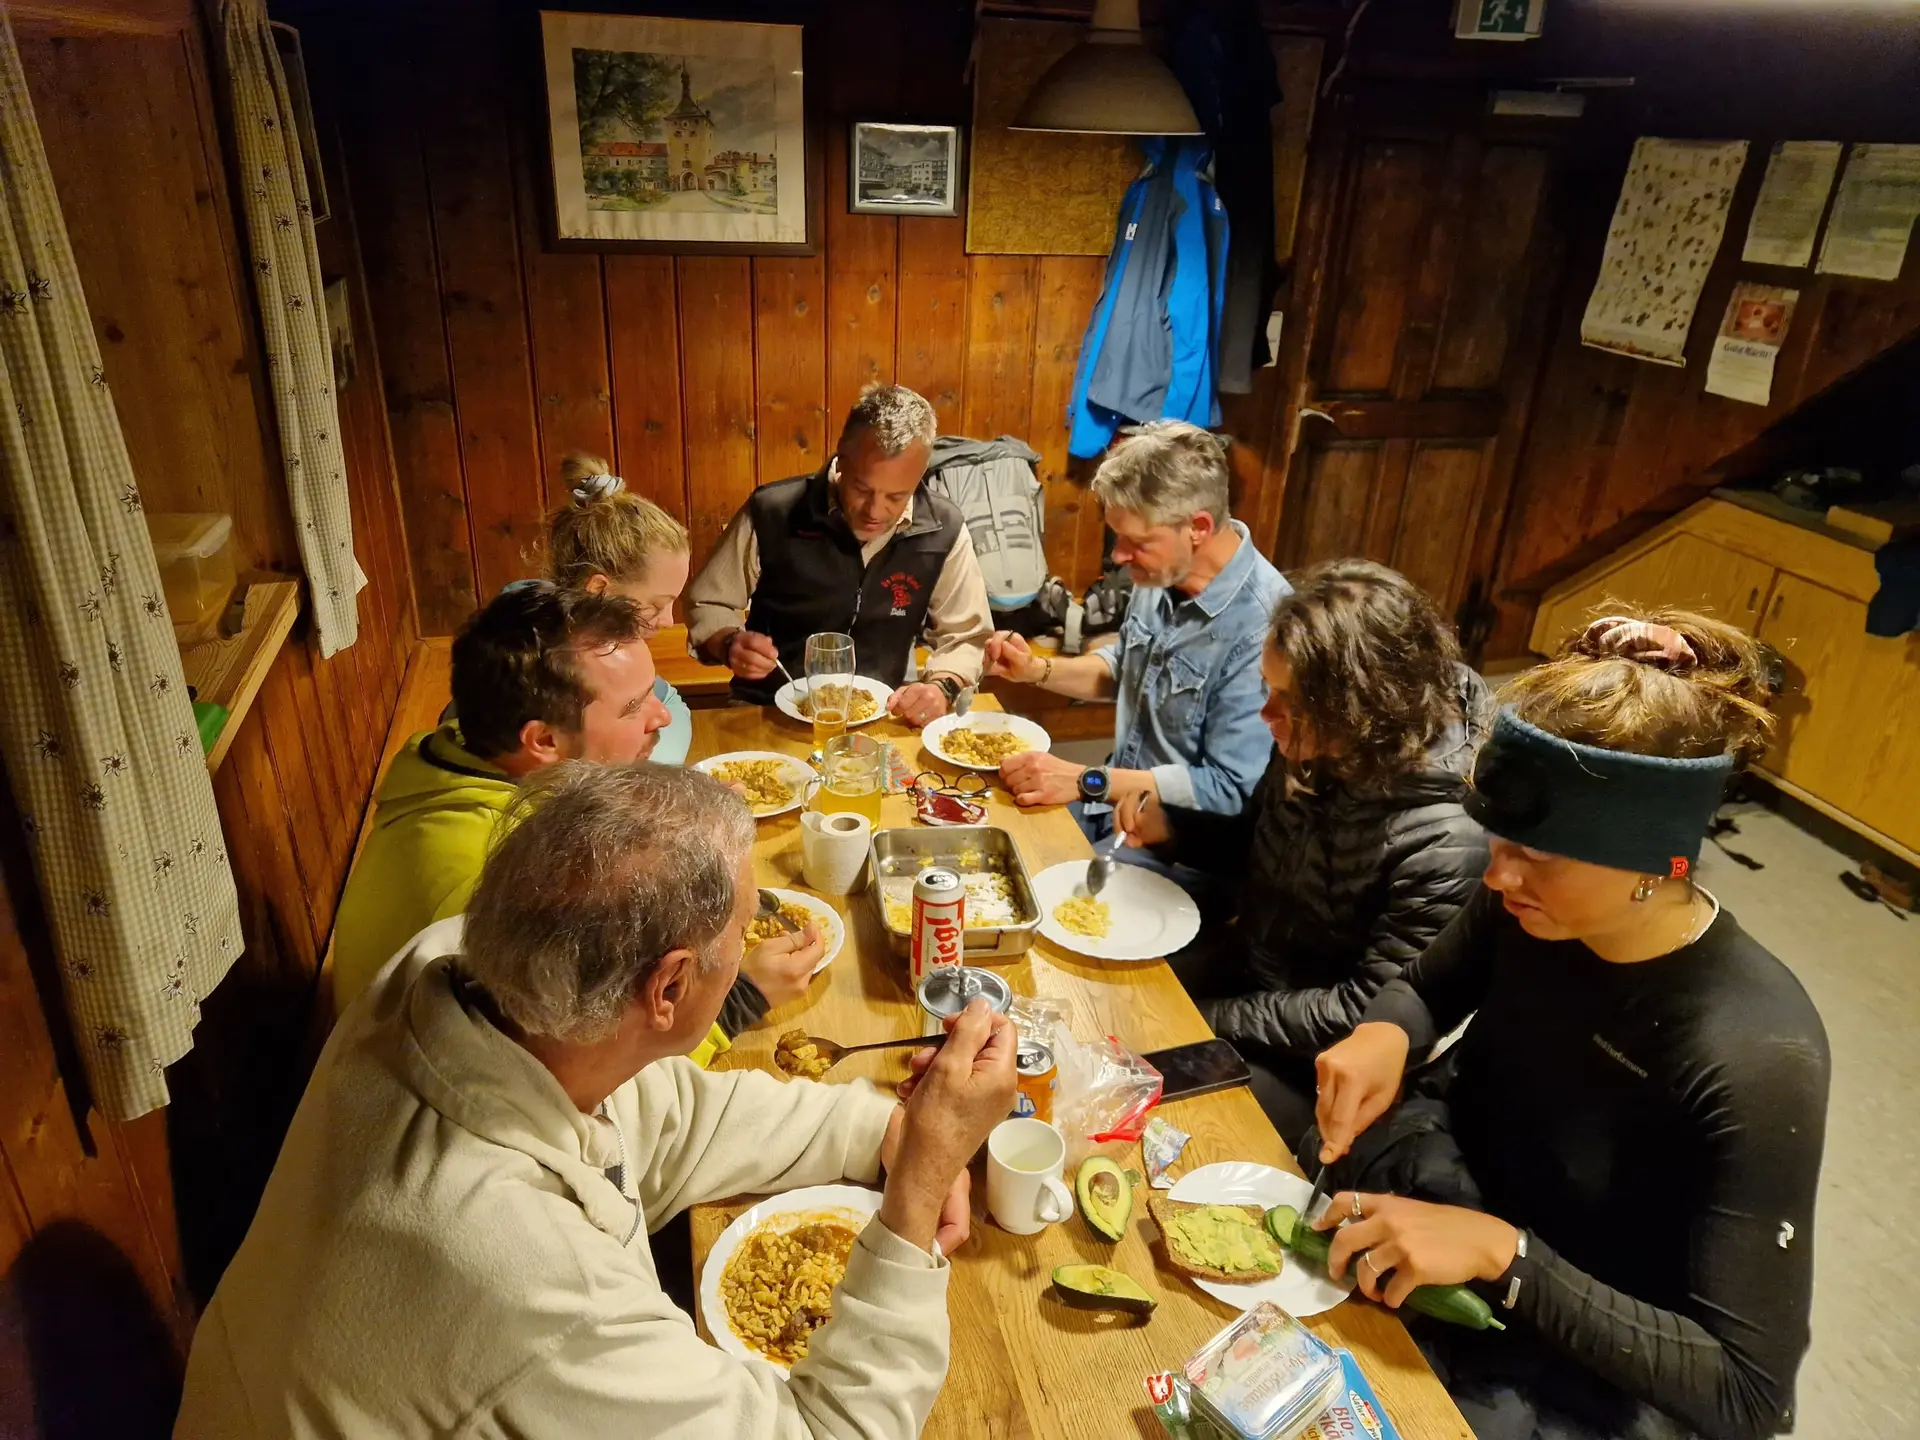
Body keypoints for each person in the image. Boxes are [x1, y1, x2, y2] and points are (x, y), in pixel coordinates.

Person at [176, 763, 1020, 1439]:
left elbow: (673, 1119)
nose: (751, 943)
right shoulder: (525, 1278)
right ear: (673, 987)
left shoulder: (459, 971)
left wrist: (891, 1130)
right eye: (744, 929)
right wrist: (914, 1198)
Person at [1301, 611, 1830, 1440]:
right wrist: (1387, 1034)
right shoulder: (1525, 903)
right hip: (1459, 1202)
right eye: (1499, 842)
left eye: (1540, 858)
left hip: (1586, 1333)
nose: (1500, 875)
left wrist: (1508, 1258)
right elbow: (1425, 988)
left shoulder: (1756, 1053)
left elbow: (1749, 1395)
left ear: (1660, 858)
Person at [329, 585, 821, 1067]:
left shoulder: (468, 755)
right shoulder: (495, 885)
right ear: (543, 738)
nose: (660, 719)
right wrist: (739, 1000)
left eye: (654, 696)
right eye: (634, 707)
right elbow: (578, 1079)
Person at [1118, 561, 1491, 1142]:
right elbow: (1260, 846)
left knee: (1145, 1098)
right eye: (1268, 690)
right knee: (1113, 1002)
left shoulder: (1447, 840)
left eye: (1288, 700)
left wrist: (1208, 1020)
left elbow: (1360, 1012)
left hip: (1317, 1060)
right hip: (1257, 971)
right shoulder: (1319, 741)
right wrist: (1178, 830)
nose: (1267, 715)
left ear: (1365, 706)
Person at [983, 420, 1288, 837]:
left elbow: (1229, 789)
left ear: (1198, 527)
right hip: (1107, 810)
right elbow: (1126, 670)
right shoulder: (1161, 573)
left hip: (1175, 852)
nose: (1120, 557)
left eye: (1137, 542)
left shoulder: (1263, 627)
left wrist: (1086, 781)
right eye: (1116, 539)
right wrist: (1036, 670)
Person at [685, 383, 991, 726]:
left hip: (884, 712)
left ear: (921, 474)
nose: (875, 510)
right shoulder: (774, 511)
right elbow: (708, 603)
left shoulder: (942, 527)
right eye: (862, 488)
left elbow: (966, 635)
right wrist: (728, 643)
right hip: (765, 708)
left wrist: (942, 687)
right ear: (841, 456)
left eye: (896, 496)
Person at [545, 452, 697, 764]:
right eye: (656, 605)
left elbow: (669, 699)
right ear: (600, 589)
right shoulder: (534, 656)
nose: (668, 620)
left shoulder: (607, 643)